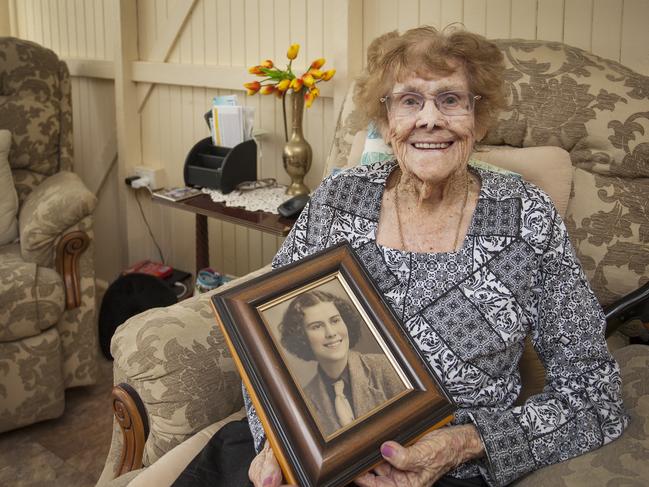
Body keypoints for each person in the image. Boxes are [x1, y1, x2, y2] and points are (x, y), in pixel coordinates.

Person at [247, 25, 628, 487]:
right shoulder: (338, 199)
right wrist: (278, 440)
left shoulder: (525, 216)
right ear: (386, 122)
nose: (429, 119)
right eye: (409, 101)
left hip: (446, 470)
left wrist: (464, 443)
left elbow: (594, 395)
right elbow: (263, 338)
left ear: (479, 117)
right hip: (315, 452)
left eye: (450, 99)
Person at [278, 289, 406, 437]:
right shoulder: (305, 399)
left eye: (335, 320)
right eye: (317, 326)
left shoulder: (385, 367)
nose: (331, 332)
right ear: (302, 337)